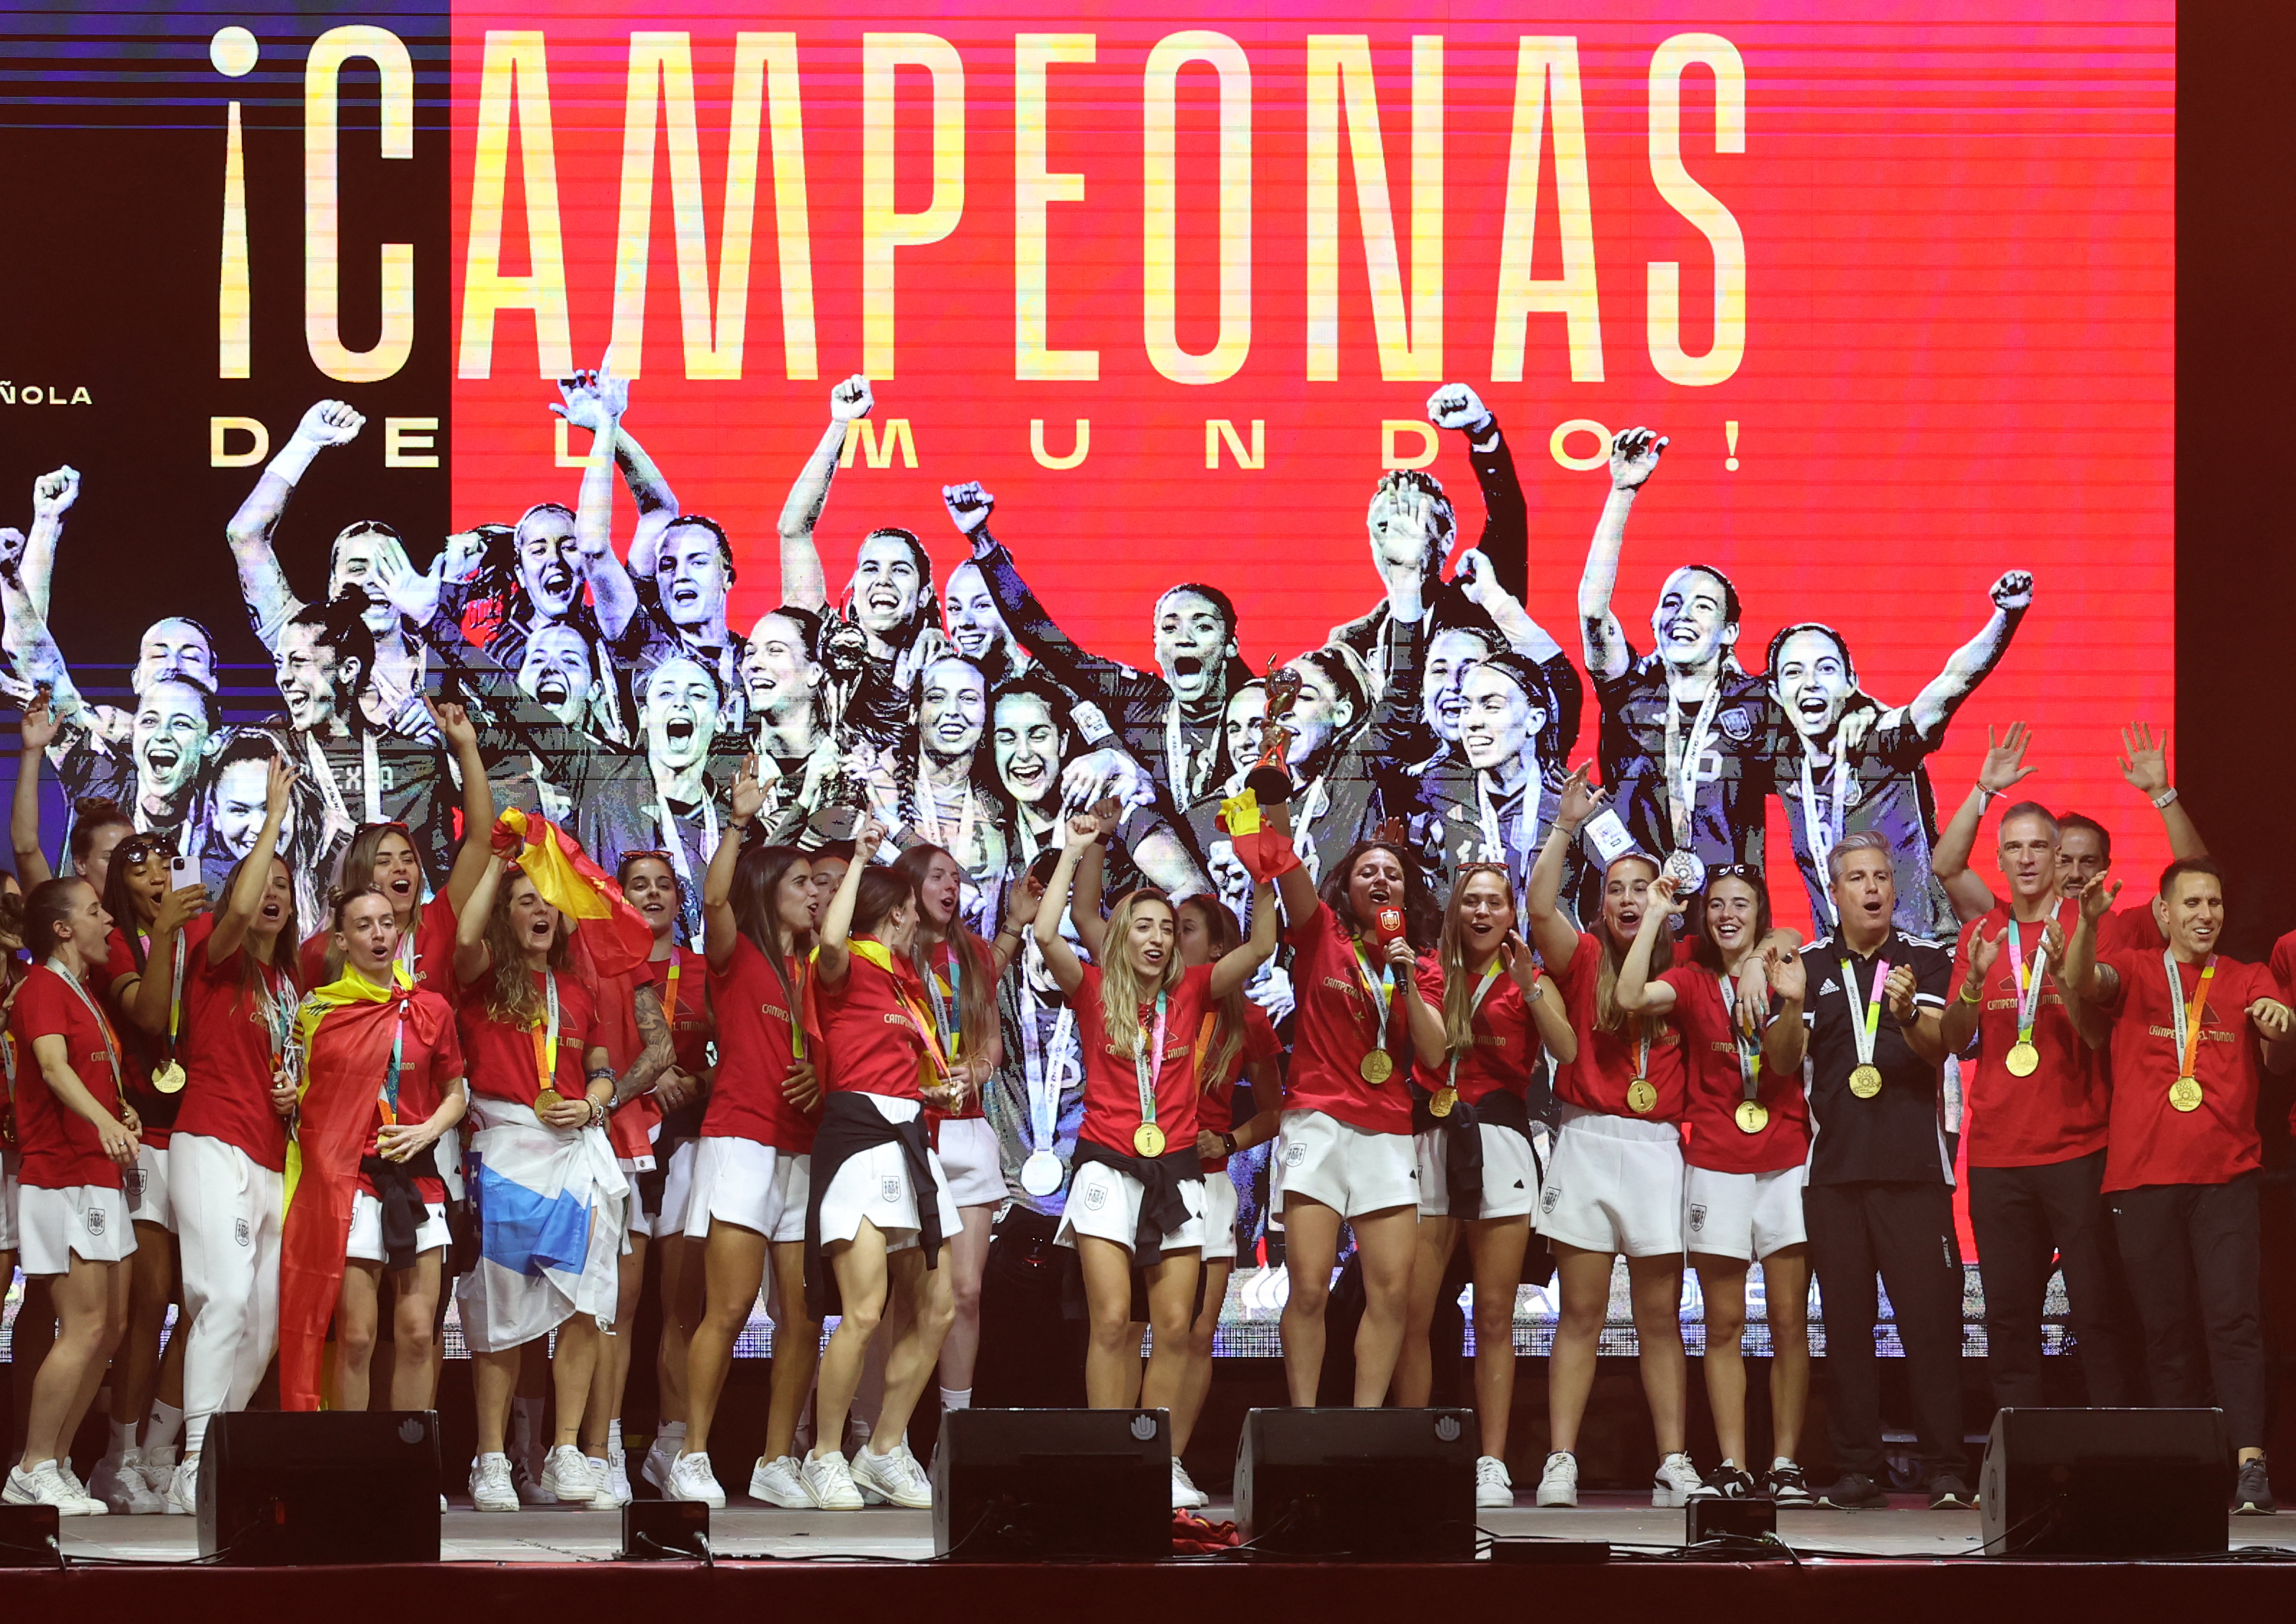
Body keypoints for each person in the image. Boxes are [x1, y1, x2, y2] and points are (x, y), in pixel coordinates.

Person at [2062, 859, 2294, 1517]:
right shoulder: (2135, 969)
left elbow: (2280, 1051)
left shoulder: (2246, 977)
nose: (2204, 915)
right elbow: (2082, 980)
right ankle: (2185, 1467)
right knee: (2164, 1331)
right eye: (2190, 903)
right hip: (2142, 1181)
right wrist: (2088, 920)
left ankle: (2250, 1463)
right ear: (2163, 913)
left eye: (2214, 903)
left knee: (2234, 1322)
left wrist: (2283, 1028)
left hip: (2225, 1178)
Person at [1033, 821, 1274, 1442]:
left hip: (1177, 1175)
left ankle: (1157, 1461)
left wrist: (1266, 872)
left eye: (1168, 928)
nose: (1159, 937)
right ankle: (1113, 1455)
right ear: (1120, 936)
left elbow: (1259, 949)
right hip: (1107, 1169)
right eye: (1144, 925)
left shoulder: (1192, 991)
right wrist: (1076, 851)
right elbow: (1043, 931)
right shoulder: (1091, 989)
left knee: (1173, 1329)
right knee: (1111, 1321)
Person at [455, 829, 665, 1512]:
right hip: (507, 1159)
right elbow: (460, 942)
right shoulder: (483, 972)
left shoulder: (579, 984)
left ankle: (566, 1449)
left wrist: (596, 1101)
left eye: (548, 900)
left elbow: (602, 1066)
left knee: (582, 1308)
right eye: (524, 901)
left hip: (574, 1158)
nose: (540, 911)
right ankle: (490, 1459)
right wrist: (494, 864)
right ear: (504, 914)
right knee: (500, 1318)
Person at [1765, 831, 1968, 1510]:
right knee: (1846, 1329)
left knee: (1931, 1325)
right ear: (1834, 891)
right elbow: (1783, 1063)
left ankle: (1945, 1466)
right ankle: (1857, 1467)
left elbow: (1941, 1046)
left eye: (1881, 875)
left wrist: (1908, 1011)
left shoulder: (1926, 959)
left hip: (1914, 1172)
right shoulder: (1809, 964)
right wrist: (1790, 1000)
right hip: (1833, 1176)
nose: (1872, 888)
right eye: (1857, 878)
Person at [1522, 767, 1698, 1508]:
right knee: (1582, 1313)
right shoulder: (1586, 955)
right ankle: (1561, 1459)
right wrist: (1565, 828)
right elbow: (1536, 909)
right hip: (1588, 1139)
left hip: (1658, 1147)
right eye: (1618, 889)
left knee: (1659, 1319)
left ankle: (1674, 1461)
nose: (1630, 899)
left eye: (1642, 887)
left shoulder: (1686, 968)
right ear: (1602, 903)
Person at [1616, 866, 1815, 1505]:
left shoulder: (1787, 962)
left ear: (1759, 914)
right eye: (1718, 906)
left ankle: (1783, 1463)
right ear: (1703, 917)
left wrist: (1774, 979)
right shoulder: (1691, 979)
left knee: (1788, 1322)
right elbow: (1626, 999)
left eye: (1742, 905)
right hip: (1715, 1163)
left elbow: (1784, 1061)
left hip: (1783, 1161)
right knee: (1723, 1323)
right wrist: (1652, 915)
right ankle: (1732, 1463)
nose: (1728, 914)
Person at [1935, 800, 2137, 1415]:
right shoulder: (1981, 934)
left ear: (2058, 857)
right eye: (2013, 849)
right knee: (2008, 1315)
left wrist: (2070, 965)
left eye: (2037, 848)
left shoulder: (2086, 923)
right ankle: (2019, 1455)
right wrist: (1971, 983)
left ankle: (2110, 1452)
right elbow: (1953, 1040)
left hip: (2078, 1150)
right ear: (1998, 860)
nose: (2025, 859)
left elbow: (2098, 1037)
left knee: (2097, 1312)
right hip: (1997, 1155)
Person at [1395, 863, 1577, 1510]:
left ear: (1509, 914)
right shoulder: (1425, 971)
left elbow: (1568, 1050)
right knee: (1415, 1314)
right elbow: (1422, 1050)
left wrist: (1529, 988)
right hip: (1431, 1142)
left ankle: (1491, 1462)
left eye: (1493, 903)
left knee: (1495, 1316)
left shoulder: (1531, 978)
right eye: (1469, 901)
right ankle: (1410, 1449)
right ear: (1454, 911)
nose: (1480, 912)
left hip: (1499, 1145)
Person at [801, 813, 962, 1510]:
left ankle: (885, 1449)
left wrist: (929, 1089)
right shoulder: (843, 963)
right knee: (863, 1312)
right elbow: (831, 938)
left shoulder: (907, 983)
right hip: (859, 1141)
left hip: (911, 1137)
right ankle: (824, 1455)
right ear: (895, 916)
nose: (914, 924)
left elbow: (888, 1062)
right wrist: (862, 860)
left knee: (939, 1306)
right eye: (906, 915)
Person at [667, 778, 821, 1508]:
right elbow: (717, 901)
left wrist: (821, 1084)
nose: (814, 894)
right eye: (800, 883)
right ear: (769, 889)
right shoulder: (737, 957)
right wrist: (738, 823)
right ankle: (693, 1455)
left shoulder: (816, 972)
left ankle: (774, 1458)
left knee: (803, 1315)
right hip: (740, 1141)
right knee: (727, 1310)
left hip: (802, 1150)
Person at [1258, 804, 1438, 1410]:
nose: (1379, 879)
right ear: (1345, 885)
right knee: (1308, 1286)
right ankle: (1303, 1420)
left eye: (1390, 871)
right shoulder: (1319, 932)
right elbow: (1282, 861)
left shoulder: (1421, 965)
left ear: (1405, 892)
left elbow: (1435, 1052)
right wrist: (1272, 792)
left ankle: (1364, 1422)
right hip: (1317, 1123)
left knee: (1391, 1294)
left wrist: (1406, 975)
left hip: (1386, 1133)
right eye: (1366, 872)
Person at [163, 758, 303, 1515]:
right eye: (262, 882)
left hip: (270, 1157)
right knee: (221, 1295)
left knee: (267, 1316)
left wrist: (295, 1091)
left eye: (285, 884)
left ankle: (210, 1446)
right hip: (209, 1141)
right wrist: (273, 821)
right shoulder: (214, 960)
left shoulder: (290, 987)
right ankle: (192, 1462)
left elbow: (297, 1071)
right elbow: (241, 914)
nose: (272, 894)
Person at [276, 886, 467, 1414]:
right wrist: (291, 1098)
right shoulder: (318, 1011)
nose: (379, 934)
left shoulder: (432, 1009)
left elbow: (457, 1094)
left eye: (386, 923)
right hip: (349, 1185)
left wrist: (426, 1132)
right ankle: (350, 1468)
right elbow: (303, 1096)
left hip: (419, 1181)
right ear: (341, 939)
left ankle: (408, 1467)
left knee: (414, 1331)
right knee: (356, 1337)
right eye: (364, 925)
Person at [946, 479, 1246, 811]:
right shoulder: (1140, 700)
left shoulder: (1254, 709)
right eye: (1170, 628)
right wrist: (982, 541)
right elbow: (1047, 641)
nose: (1184, 638)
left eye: (1202, 626)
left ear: (1230, 645)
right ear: (1157, 645)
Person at [1766, 578, 2030, 938]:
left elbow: (1952, 683)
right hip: (1844, 965)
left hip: (1925, 953)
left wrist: (2006, 615)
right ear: (1775, 691)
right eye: (1793, 672)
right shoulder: (1782, 764)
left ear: (1850, 682)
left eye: (1826, 669)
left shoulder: (1882, 742)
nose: (1810, 682)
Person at [1577, 428, 1774, 882]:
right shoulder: (1628, 690)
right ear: (1651, 623)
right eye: (1671, 603)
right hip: (1633, 904)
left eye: (1702, 606)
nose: (1682, 614)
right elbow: (1593, 612)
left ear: (1730, 632)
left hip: (1727, 916)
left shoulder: (1759, 702)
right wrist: (1622, 493)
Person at [1, 877, 139, 1515]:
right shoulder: (39, 989)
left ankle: (55, 1461)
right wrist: (105, 1122)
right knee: (81, 1326)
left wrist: (121, 1113)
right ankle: (30, 1466)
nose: (108, 918)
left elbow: (85, 1075)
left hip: (99, 1172)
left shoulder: (84, 993)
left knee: (110, 1327)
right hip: (62, 1174)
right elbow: (52, 1067)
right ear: (61, 928)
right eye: (94, 910)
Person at [892, 842, 1032, 1427]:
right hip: (908, 1135)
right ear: (907, 889)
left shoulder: (973, 954)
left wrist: (973, 1070)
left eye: (956, 876)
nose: (950, 885)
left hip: (967, 1131)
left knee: (967, 1295)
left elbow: (991, 1044)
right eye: (936, 876)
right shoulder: (885, 958)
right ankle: (876, 1436)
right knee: (908, 1300)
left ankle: (956, 1427)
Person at [88, 829, 207, 1514]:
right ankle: (118, 1456)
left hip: (202, 1132)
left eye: (166, 860)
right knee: (151, 1299)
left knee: (202, 1300)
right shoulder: (110, 947)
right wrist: (163, 935)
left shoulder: (199, 936)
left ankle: (160, 1448)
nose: (158, 872)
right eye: (140, 865)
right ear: (116, 885)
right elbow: (152, 1013)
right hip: (144, 1135)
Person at [1165, 892, 1284, 1509]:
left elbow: (1274, 1112)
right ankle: (1127, 1447)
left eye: (1181, 929)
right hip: (1142, 1174)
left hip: (1208, 1180)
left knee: (1196, 1331)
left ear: (1217, 949)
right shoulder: (1145, 1003)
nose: (1168, 938)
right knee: (1135, 1324)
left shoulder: (1247, 1020)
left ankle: (1172, 1459)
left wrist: (1231, 1138)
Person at [778, 379, 948, 751]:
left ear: (924, 595)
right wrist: (840, 425)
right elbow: (793, 531)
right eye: (870, 569)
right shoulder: (821, 646)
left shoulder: (944, 668)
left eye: (900, 570)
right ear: (853, 590)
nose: (882, 581)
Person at [625, 851, 717, 1498]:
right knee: (614, 1307)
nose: (652, 894)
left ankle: (670, 1441)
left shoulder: (706, 971)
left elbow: (743, 1054)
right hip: (619, 1138)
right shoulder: (603, 965)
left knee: (681, 1305)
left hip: (688, 1139)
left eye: (663, 885)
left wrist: (695, 1081)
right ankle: (597, 1445)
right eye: (639, 885)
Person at [295, 698, 494, 991]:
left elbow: (480, 839)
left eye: (408, 859)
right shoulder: (323, 951)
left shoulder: (436, 924)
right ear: (361, 873)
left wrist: (466, 747)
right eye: (384, 861)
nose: (400, 868)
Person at [1931, 721, 2206, 930]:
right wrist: (1985, 789)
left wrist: (2162, 794)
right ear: (2050, 858)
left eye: (2088, 861)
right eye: (2065, 860)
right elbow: (1946, 868)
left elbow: (2199, 876)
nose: (2076, 874)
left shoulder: (2124, 929)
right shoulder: (2005, 925)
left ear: (2106, 867)